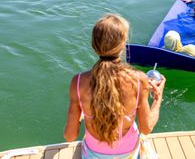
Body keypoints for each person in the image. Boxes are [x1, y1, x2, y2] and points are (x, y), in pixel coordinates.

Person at [64, 14, 166, 159]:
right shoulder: (138, 79)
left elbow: (70, 136)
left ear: (94, 45)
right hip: (128, 153)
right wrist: (158, 98)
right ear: (123, 45)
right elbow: (146, 128)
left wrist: (83, 112)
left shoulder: (78, 82)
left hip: (93, 154)